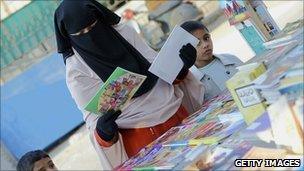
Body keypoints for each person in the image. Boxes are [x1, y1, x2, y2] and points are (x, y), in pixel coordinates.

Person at [54, 0, 205, 169]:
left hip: (177, 114)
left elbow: (159, 70)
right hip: (140, 139)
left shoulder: (124, 32)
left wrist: (181, 67)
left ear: (101, 18)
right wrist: (104, 132)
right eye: (81, 33)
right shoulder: (77, 71)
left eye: (93, 26)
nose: (90, 35)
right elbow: (94, 120)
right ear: (69, 37)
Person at [181, 21, 243, 100]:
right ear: (186, 49)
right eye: (197, 43)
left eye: (206, 38)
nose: (205, 45)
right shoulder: (190, 81)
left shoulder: (231, 59)